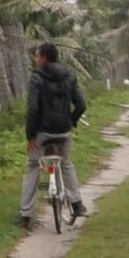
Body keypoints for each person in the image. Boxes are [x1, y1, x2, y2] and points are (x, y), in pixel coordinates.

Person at [19, 41, 87, 226]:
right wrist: (71, 121)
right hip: (64, 131)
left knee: (33, 165)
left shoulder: (36, 78)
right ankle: (77, 203)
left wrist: (30, 135)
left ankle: (25, 215)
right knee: (66, 163)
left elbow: (33, 108)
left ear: (43, 57)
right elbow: (81, 105)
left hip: (43, 131)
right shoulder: (69, 77)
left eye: (37, 55)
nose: (36, 58)